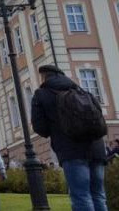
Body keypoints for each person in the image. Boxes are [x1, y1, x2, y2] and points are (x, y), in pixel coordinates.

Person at [32, 64, 109, 211]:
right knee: (99, 194)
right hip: (96, 147)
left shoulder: (41, 94)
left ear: (44, 77)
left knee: (81, 196)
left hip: (70, 150)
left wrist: (56, 131)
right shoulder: (82, 91)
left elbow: (39, 127)